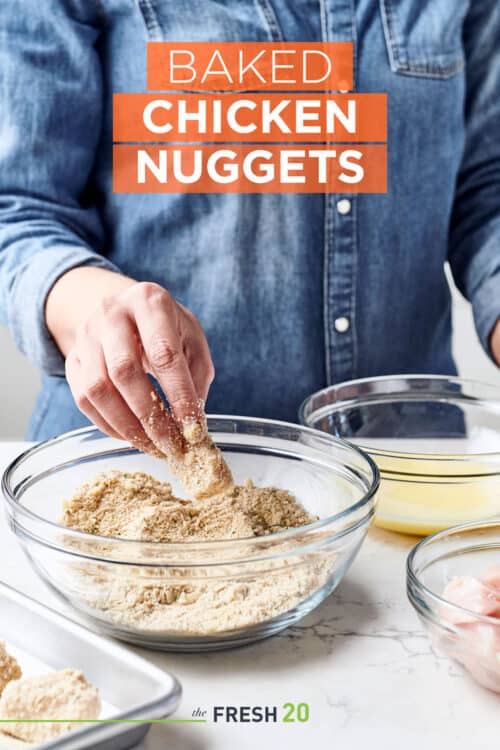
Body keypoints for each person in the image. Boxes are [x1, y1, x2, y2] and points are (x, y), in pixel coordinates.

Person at [0, 1, 499, 450]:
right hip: (136, 469)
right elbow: (19, 205)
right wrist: (97, 306)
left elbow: (486, 187)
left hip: (411, 463)